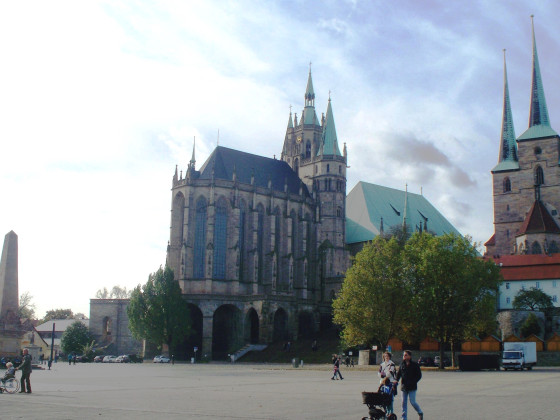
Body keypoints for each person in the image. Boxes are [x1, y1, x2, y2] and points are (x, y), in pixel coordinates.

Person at [396, 350, 423, 420]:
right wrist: (396, 381)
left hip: (412, 387)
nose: (404, 356)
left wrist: (413, 381)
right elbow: (398, 374)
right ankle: (404, 418)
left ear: (410, 356)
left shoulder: (415, 365)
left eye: (406, 355)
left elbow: (419, 375)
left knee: (413, 402)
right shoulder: (402, 364)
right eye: (403, 355)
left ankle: (420, 412)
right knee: (403, 403)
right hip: (404, 387)